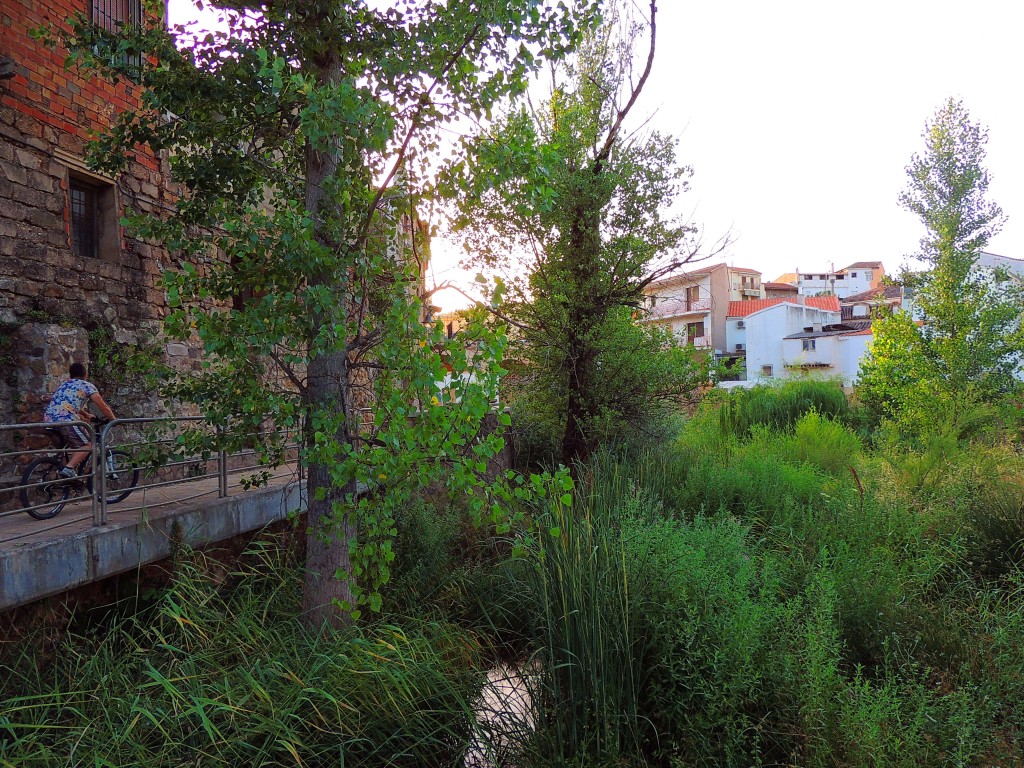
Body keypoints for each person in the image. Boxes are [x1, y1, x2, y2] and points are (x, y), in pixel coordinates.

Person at [43, 362, 116, 479]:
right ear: (85, 374)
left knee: (72, 446)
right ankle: (69, 468)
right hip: (66, 420)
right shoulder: (87, 386)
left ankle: (65, 473)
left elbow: (67, 403)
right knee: (88, 445)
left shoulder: (65, 385)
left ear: (71, 374)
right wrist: (113, 419)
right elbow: (103, 407)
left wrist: (86, 414)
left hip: (49, 419)